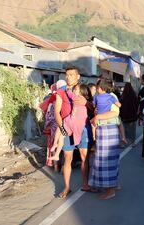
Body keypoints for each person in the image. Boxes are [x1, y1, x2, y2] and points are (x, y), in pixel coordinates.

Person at [54, 66, 90, 198]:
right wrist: (62, 128)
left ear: (77, 76)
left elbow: (92, 106)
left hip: (82, 128)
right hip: (67, 128)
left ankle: (85, 184)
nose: (68, 77)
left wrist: (86, 102)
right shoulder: (61, 92)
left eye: (71, 75)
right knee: (67, 158)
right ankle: (67, 187)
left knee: (84, 157)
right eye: (67, 75)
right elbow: (57, 112)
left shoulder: (83, 89)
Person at [89, 79, 124, 200]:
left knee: (106, 160)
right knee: (104, 159)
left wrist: (98, 115)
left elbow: (114, 113)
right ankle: (109, 185)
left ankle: (111, 189)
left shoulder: (109, 96)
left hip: (107, 129)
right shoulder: (107, 97)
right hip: (104, 129)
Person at [49, 83, 88, 162]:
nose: (74, 90)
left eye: (76, 89)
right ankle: (56, 155)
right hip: (77, 122)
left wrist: (67, 90)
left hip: (72, 121)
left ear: (81, 92)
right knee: (62, 136)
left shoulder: (78, 98)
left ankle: (55, 144)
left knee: (60, 128)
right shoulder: (83, 100)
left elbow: (70, 95)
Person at [92, 79, 127, 145]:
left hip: (101, 118)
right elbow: (119, 105)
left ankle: (94, 138)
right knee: (120, 123)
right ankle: (123, 137)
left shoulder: (96, 96)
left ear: (99, 88)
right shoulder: (111, 96)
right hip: (110, 118)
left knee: (92, 124)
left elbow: (94, 106)